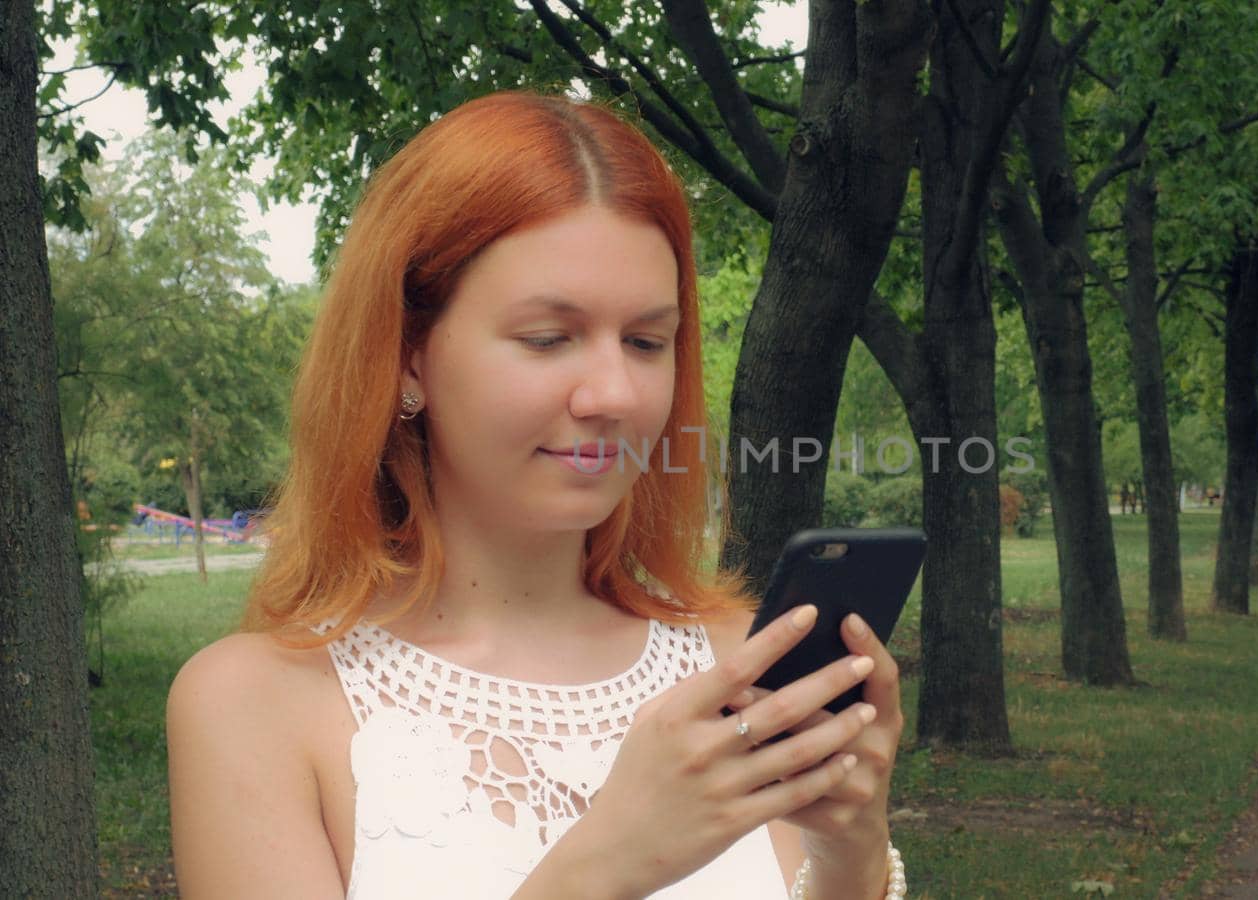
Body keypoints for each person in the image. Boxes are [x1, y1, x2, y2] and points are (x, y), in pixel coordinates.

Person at [166, 91, 908, 900]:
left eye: (646, 341)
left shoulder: (743, 667)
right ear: (408, 357)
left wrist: (850, 853)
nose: (614, 393)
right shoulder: (253, 705)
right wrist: (606, 864)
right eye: (548, 339)